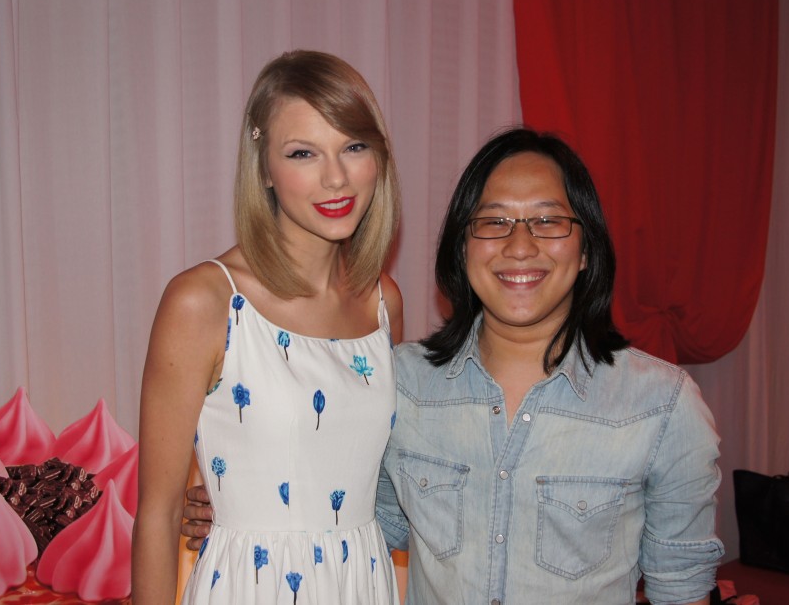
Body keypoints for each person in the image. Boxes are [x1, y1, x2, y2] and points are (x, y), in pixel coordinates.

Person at [184, 128, 724, 604]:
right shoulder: (402, 385)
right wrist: (252, 504)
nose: (519, 245)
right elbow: (360, 514)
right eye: (493, 222)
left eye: (548, 220)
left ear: (586, 250)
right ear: (462, 249)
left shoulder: (662, 406)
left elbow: (682, 589)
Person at [132, 50, 403, 604]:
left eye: (354, 146)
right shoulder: (204, 301)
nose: (336, 177)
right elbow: (157, 514)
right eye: (303, 153)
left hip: (361, 584)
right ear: (264, 169)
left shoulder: (383, 302)